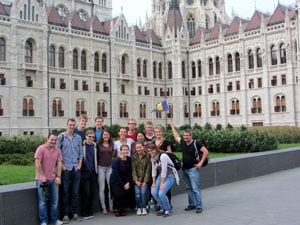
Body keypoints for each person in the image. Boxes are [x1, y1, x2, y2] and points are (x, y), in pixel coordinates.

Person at [170, 121, 208, 214]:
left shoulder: (197, 143)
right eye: (184, 135)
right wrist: (172, 127)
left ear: (191, 136)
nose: (185, 137)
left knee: (195, 188)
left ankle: (199, 206)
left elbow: (206, 152)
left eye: (187, 135)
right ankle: (192, 204)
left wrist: (200, 163)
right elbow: (176, 136)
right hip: (184, 169)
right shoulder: (182, 142)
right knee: (188, 188)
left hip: (193, 169)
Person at [56, 118, 83, 224]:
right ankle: (65, 214)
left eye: (73, 125)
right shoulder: (61, 137)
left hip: (75, 168)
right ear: (66, 125)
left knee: (75, 192)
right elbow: (57, 153)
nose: (71, 127)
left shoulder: (78, 138)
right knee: (66, 192)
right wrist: (62, 166)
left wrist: (80, 164)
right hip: (66, 168)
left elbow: (80, 152)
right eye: (70, 125)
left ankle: (75, 213)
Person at [34, 134, 63, 225]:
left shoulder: (57, 150)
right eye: (52, 140)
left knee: (54, 201)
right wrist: (42, 176)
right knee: (43, 202)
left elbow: (59, 164)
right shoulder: (41, 149)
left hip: (54, 180)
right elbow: (37, 162)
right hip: (42, 180)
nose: (53, 141)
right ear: (47, 139)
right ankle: (44, 221)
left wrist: (58, 176)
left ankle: (54, 220)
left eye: (55, 140)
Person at [147, 143, 179, 217]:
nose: (151, 152)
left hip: (170, 176)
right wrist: (154, 182)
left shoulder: (163, 156)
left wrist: (162, 183)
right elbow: (153, 171)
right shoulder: (152, 158)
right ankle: (162, 207)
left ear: (156, 149)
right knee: (154, 192)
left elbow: (164, 170)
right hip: (161, 176)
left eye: (152, 150)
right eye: (149, 151)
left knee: (161, 193)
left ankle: (168, 209)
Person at [110, 144, 133, 217]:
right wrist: (123, 184)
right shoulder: (116, 160)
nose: (125, 151)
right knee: (118, 194)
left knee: (124, 194)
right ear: (121, 150)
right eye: (124, 150)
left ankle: (123, 209)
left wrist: (128, 182)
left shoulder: (129, 159)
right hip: (116, 180)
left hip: (125, 180)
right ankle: (117, 209)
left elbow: (130, 172)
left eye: (127, 149)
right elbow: (115, 173)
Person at [80, 130, 98, 219]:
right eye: (89, 136)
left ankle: (90, 211)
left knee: (92, 192)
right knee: (86, 192)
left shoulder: (95, 146)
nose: (91, 138)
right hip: (85, 172)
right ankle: (84, 212)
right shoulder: (82, 146)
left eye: (93, 137)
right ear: (86, 136)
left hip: (93, 172)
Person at [131, 141, 152, 216]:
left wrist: (145, 182)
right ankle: (139, 207)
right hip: (137, 179)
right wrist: (136, 180)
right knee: (137, 193)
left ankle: (144, 207)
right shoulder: (134, 156)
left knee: (143, 192)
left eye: (140, 147)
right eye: (137, 147)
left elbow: (148, 170)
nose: (139, 149)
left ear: (143, 147)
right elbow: (133, 169)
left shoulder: (147, 156)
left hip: (145, 179)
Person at [97, 129, 114, 215]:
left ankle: (111, 206)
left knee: (110, 187)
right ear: (102, 136)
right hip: (101, 168)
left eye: (107, 134)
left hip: (109, 168)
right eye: (104, 135)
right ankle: (104, 207)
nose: (106, 136)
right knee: (102, 188)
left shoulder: (112, 144)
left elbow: (113, 155)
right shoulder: (98, 145)